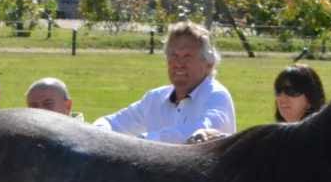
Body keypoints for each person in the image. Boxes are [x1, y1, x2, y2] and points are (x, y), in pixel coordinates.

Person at [93, 21, 236, 143]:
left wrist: (141, 142)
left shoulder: (216, 96)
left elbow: (200, 133)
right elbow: (113, 123)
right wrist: (95, 133)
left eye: (187, 56)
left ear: (208, 64)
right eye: (173, 55)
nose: (179, 63)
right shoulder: (155, 98)